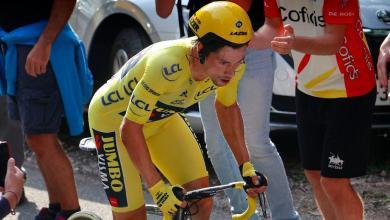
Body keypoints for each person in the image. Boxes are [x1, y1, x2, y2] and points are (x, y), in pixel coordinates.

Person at [88, 2, 266, 219]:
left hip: (160, 119)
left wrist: (246, 167)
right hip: (114, 123)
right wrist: (157, 189)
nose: (231, 71)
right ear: (200, 50)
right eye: (223, 63)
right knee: (133, 216)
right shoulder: (166, 66)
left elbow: (227, 107)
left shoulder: (233, 66)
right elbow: (130, 129)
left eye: (238, 62)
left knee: (199, 200)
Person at [250, 0, 380, 219]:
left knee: (334, 181)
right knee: (313, 173)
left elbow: (333, 42)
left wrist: (292, 42)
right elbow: (272, 26)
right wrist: (245, 41)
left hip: (349, 89)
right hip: (309, 88)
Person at [184, 1, 300, 218]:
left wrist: (247, 43)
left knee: (257, 143)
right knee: (216, 144)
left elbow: (245, 6)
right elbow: (163, 11)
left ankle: (286, 216)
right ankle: (245, 214)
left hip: (250, 47)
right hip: (206, 50)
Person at [0, 0, 93, 219]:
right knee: (35, 137)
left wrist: (44, 43)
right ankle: (56, 209)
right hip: (17, 47)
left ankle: (71, 213)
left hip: (36, 47)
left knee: (41, 137)